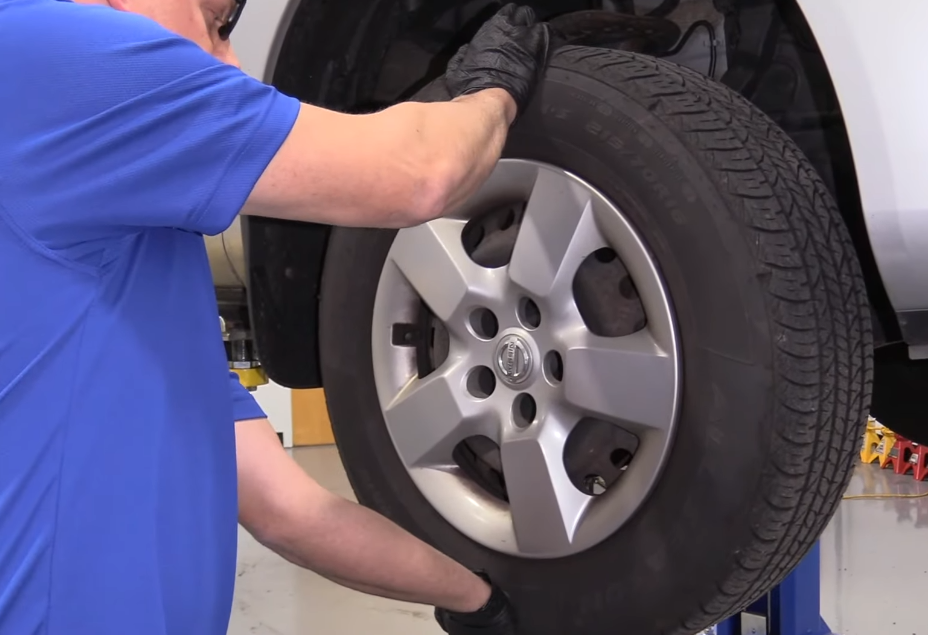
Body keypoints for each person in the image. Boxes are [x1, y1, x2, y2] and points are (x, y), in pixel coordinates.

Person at [0, 0, 554, 631]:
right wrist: (490, 96)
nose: (232, 64)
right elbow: (417, 175)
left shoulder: (132, 305)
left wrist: (477, 602)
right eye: (218, 22)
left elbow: (294, 516)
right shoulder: (46, 50)